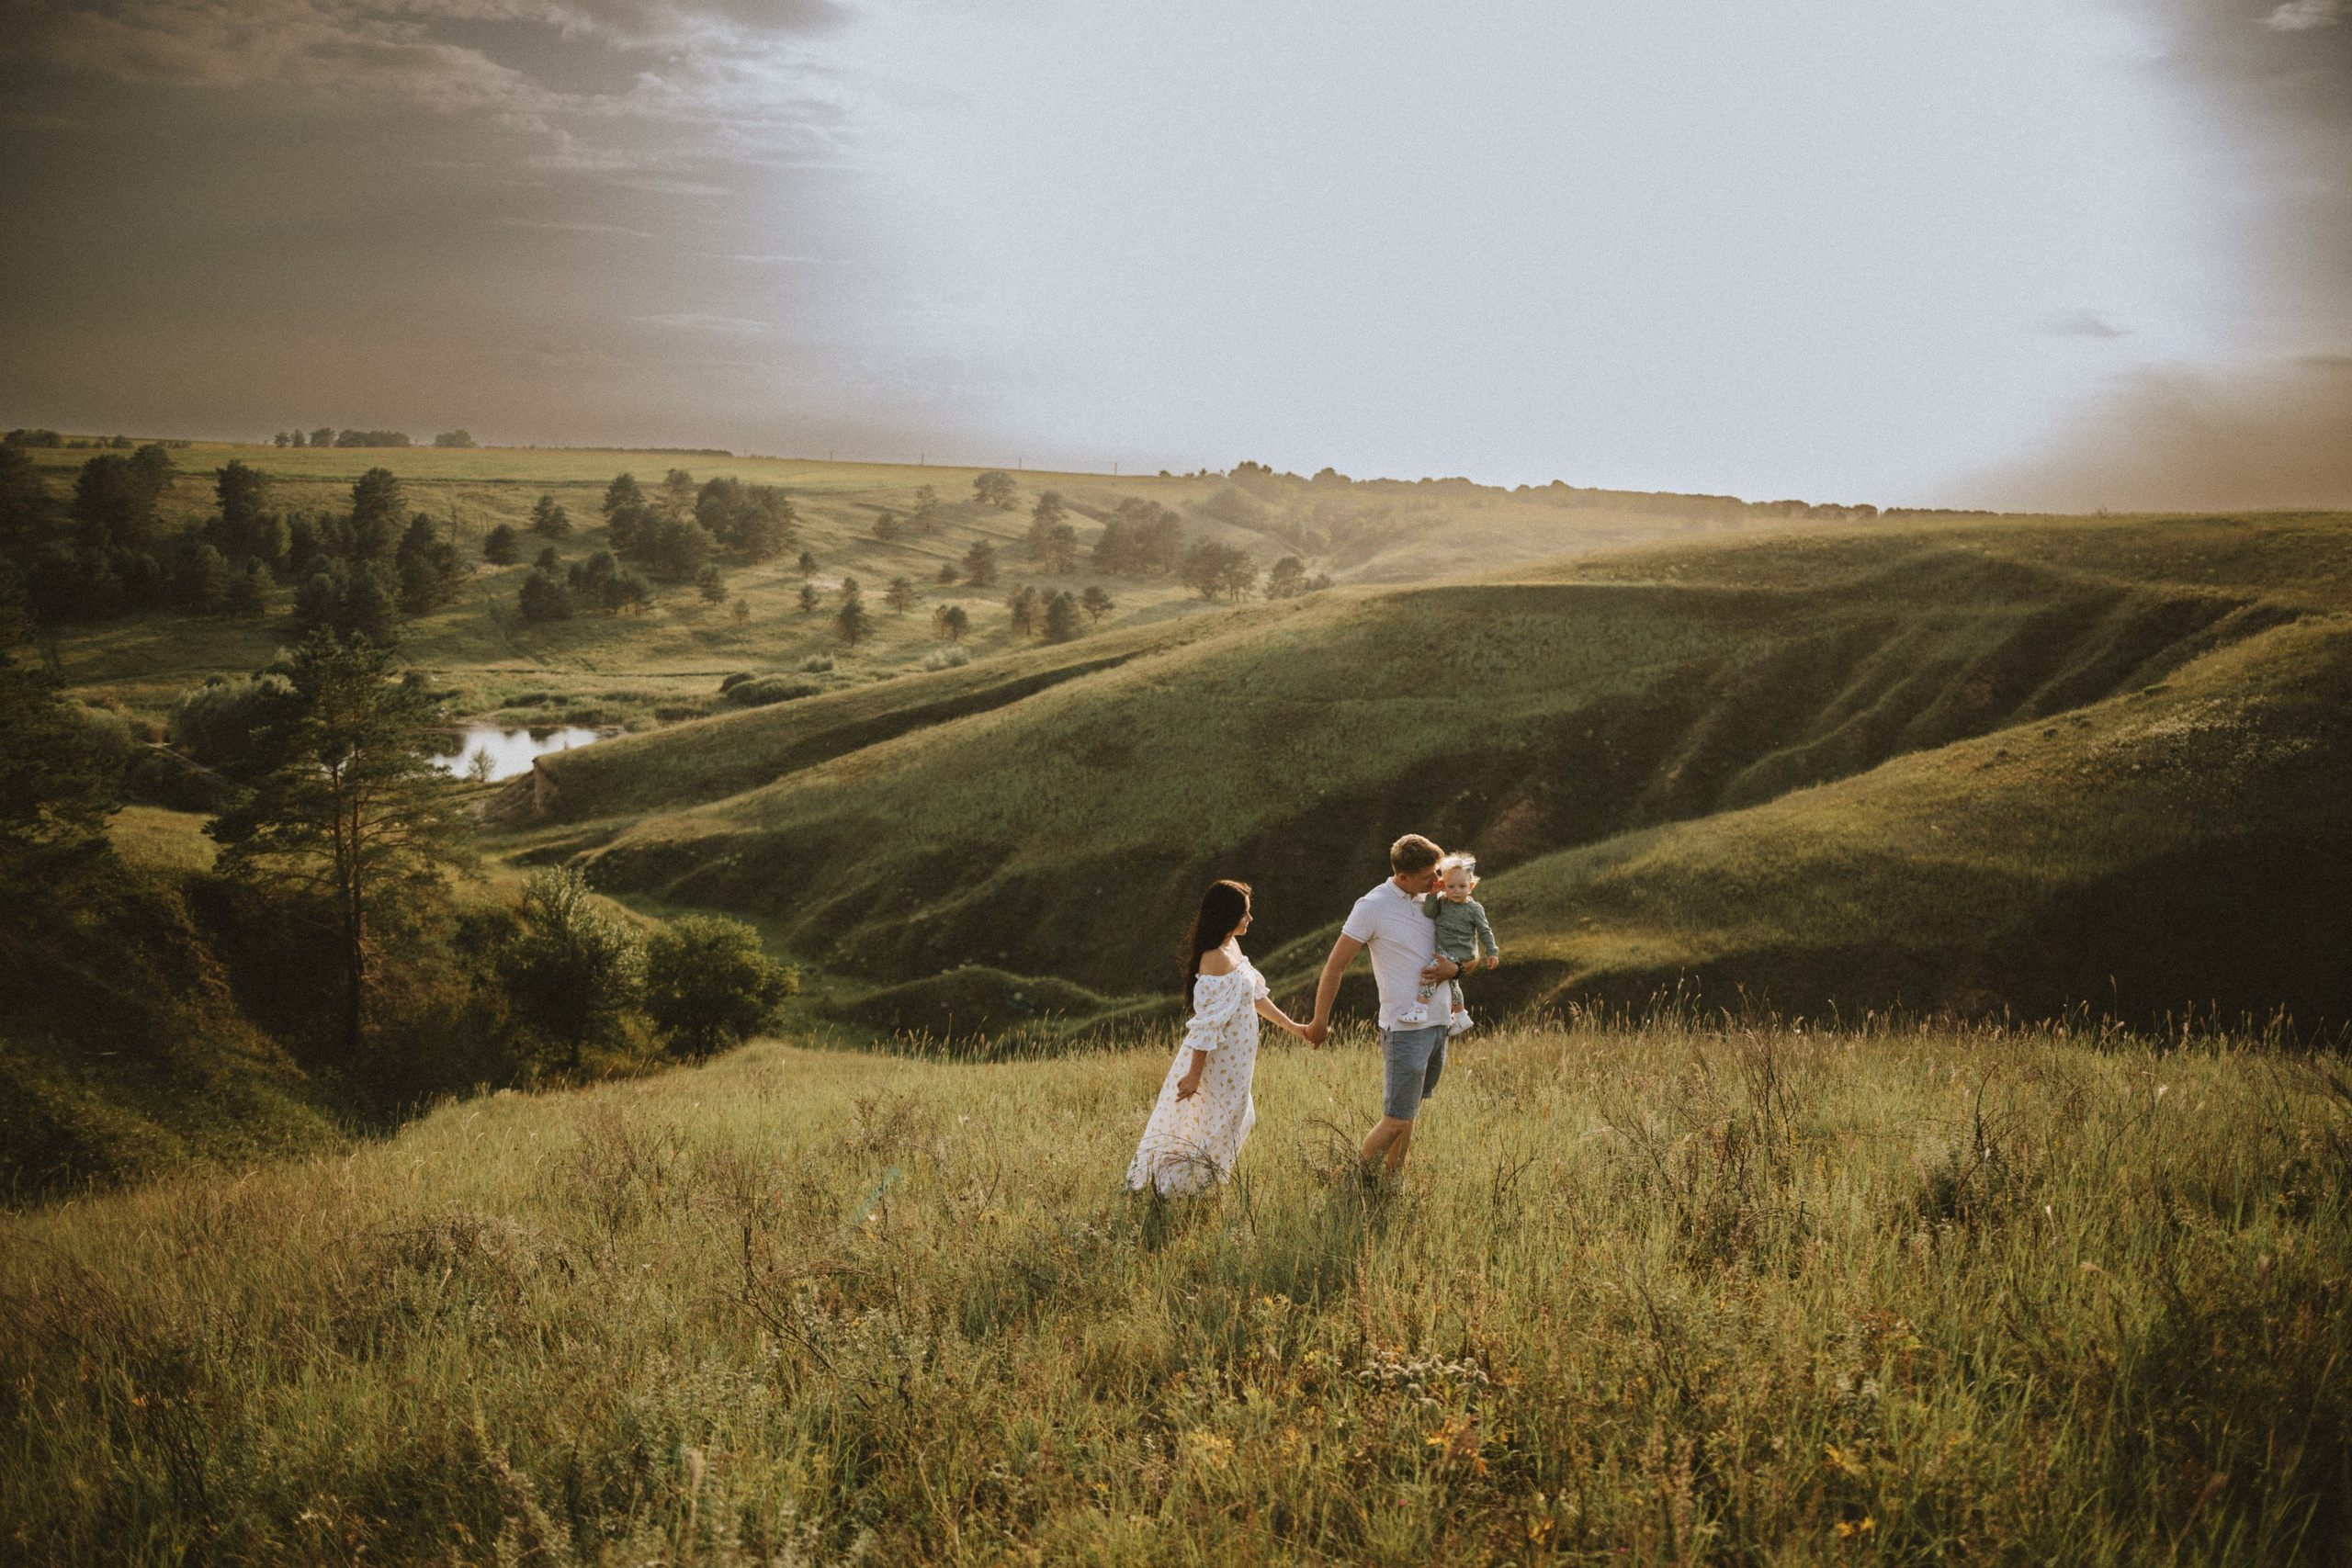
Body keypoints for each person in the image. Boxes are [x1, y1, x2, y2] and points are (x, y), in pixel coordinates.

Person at [1126, 879, 1310, 1196]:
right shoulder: (1214, 958)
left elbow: (1253, 997)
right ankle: (1174, 1189)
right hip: (1217, 1062)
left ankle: (1199, 1188)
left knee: (1233, 1121)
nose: (1250, 919)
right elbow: (1206, 1023)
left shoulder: (1231, 947)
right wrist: (1195, 1073)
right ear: (1226, 916)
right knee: (1209, 1126)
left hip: (1237, 1063)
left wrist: (1295, 1027)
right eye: (1245, 914)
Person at [1301, 834, 1464, 1179]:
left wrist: (1457, 969)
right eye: (1428, 877)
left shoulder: (1436, 900)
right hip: (1405, 1029)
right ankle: (1345, 1184)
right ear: (1403, 878)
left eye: (1437, 873)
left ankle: (1391, 1183)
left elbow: (1469, 949)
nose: (1437, 881)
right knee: (1397, 1118)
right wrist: (1320, 1020)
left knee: (1410, 1113)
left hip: (1438, 1023)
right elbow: (1335, 966)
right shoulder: (1372, 905)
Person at [1397, 853, 1500, 1033]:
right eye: (1451, 887)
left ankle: (1419, 1009)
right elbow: (1430, 913)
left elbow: (1485, 931)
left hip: (1459, 952)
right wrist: (1432, 895)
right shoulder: (1443, 902)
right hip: (1447, 950)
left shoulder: (1474, 909)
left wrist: (1492, 952)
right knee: (1453, 984)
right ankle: (1461, 1016)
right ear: (1443, 887)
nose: (1457, 891)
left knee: (1431, 974)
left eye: (1462, 886)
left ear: (1471, 886)